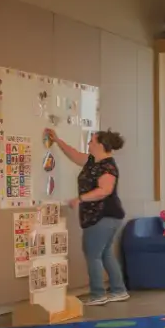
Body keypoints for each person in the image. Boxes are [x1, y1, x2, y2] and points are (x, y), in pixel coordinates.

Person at [45, 128, 128, 306]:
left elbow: (104, 191)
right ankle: (118, 290)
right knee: (104, 253)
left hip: (102, 216)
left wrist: (80, 198)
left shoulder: (108, 166)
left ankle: (98, 294)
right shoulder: (92, 161)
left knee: (93, 255)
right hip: (106, 216)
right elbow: (74, 155)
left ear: (100, 145)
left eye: (92, 141)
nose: (89, 143)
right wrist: (58, 141)